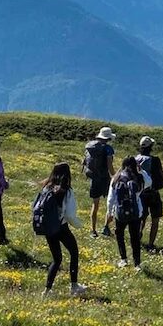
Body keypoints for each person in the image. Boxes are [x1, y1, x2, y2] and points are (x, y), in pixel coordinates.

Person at [36, 163, 87, 296]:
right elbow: (69, 214)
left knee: (57, 259)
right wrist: (79, 225)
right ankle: (74, 286)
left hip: (48, 227)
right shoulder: (66, 190)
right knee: (74, 252)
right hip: (61, 227)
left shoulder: (46, 187)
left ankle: (47, 290)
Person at [107, 156, 151, 270]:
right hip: (136, 212)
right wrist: (141, 170)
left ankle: (123, 259)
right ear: (135, 165)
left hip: (119, 212)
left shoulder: (116, 178)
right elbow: (149, 181)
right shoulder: (139, 178)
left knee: (120, 235)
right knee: (135, 237)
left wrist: (109, 212)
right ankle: (137, 263)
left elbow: (111, 198)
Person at [82, 126, 117, 238]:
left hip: (94, 178)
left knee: (95, 205)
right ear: (108, 138)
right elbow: (109, 166)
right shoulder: (108, 149)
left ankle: (93, 230)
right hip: (105, 178)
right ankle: (106, 227)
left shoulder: (91, 146)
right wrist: (116, 177)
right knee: (111, 204)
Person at [135, 136, 163, 253]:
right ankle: (151, 244)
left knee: (141, 217)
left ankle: (137, 239)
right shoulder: (155, 160)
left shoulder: (135, 159)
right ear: (150, 147)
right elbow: (162, 175)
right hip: (153, 193)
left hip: (140, 193)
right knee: (155, 218)